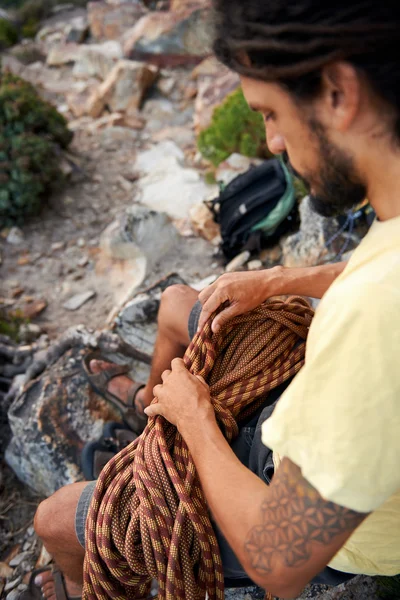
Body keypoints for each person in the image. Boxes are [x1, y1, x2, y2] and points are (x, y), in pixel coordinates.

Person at [29, 0, 400, 598]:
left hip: (309, 509)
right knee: (180, 305)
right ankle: (152, 428)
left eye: (271, 113)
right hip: (321, 417)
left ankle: (140, 478)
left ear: (337, 92)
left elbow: (280, 561)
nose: (274, 143)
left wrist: (197, 420)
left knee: (55, 520)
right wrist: (278, 281)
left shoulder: (374, 317)